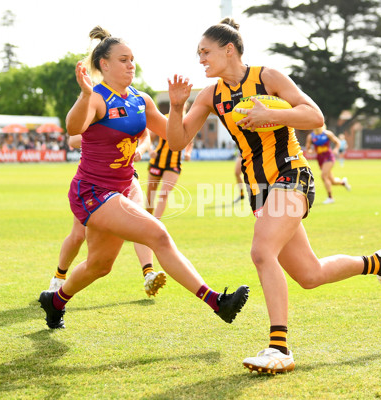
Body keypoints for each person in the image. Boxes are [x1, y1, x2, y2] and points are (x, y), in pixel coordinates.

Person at [166, 18, 381, 374]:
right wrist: (175, 107)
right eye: (198, 54)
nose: (200, 59)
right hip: (259, 191)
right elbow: (177, 141)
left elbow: (316, 117)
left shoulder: (268, 78)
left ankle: (279, 348)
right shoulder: (210, 95)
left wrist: (272, 114)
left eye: (206, 52)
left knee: (262, 252)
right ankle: (378, 262)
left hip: (292, 174)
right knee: (309, 274)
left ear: (228, 50)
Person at [38, 26, 249, 330]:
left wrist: (178, 107)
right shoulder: (97, 97)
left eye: (132, 59)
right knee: (158, 234)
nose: (131, 65)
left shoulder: (141, 100)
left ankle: (54, 301)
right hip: (93, 192)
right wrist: (84, 94)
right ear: (104, 65)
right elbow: (73, 128)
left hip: (125, 186)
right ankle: (216, 302)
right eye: (123, 59)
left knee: (100, 266)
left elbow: (175, 138)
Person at [47, 133, 167, 297]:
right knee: (77, 236)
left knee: (142, 221)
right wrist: (106, 140)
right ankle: (59, 277)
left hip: (127, 177)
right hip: (95, 182)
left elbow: (146, 135)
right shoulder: (95, 109)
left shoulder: (135, 107)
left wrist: (141, 149)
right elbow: (73, 139)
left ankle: (149, 273)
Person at [145, 103, 193, 219]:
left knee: (164, 193)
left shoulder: (187, 121)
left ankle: (156, 224)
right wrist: (150, 150)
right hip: (157, 160)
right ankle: (147, 220)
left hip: (174, 163)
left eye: (182, 106)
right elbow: (149, 138)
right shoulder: (165, 118)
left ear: (185, 107)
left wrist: (188, 153)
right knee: (151, 194)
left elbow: (190, 142)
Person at [305, 124, 351, 204]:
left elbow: (337, 142)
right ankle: (343, 182)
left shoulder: (327, 134)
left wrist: (336, 149)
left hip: (329, 157)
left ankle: (330, 197)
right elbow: (308, 148)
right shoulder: (311, 136)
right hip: (320, 159)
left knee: (323, 176)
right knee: (332, 181)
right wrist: (310, 151)